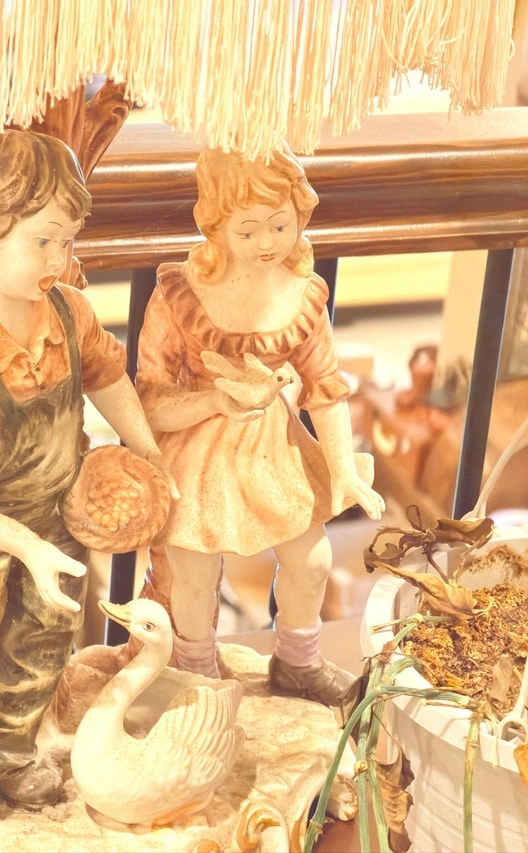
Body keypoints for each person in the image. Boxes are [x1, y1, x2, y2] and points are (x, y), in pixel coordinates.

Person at [0, 130, 171, 836]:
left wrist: (148, 453)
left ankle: (7, 753)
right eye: (43, 241)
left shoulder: (68, 311)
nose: (60, 259)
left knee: (42, 640)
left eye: (68, 241)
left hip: (56, 516)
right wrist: (23, 546)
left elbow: (107, 376)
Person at [135, 144, 385, 704]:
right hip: (199, 453)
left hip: (274, 449)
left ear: (301, 214)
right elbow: (149, 400)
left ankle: (298, 662)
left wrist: (343, 469)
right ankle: (199, 677)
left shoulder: (304, 296)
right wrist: (213, 401)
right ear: (215, 228)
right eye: (247, 231)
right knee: (195, 576)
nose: (268, 242)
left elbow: (326, 386)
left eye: (280, 224)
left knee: (313, 560)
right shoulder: (179, 295)